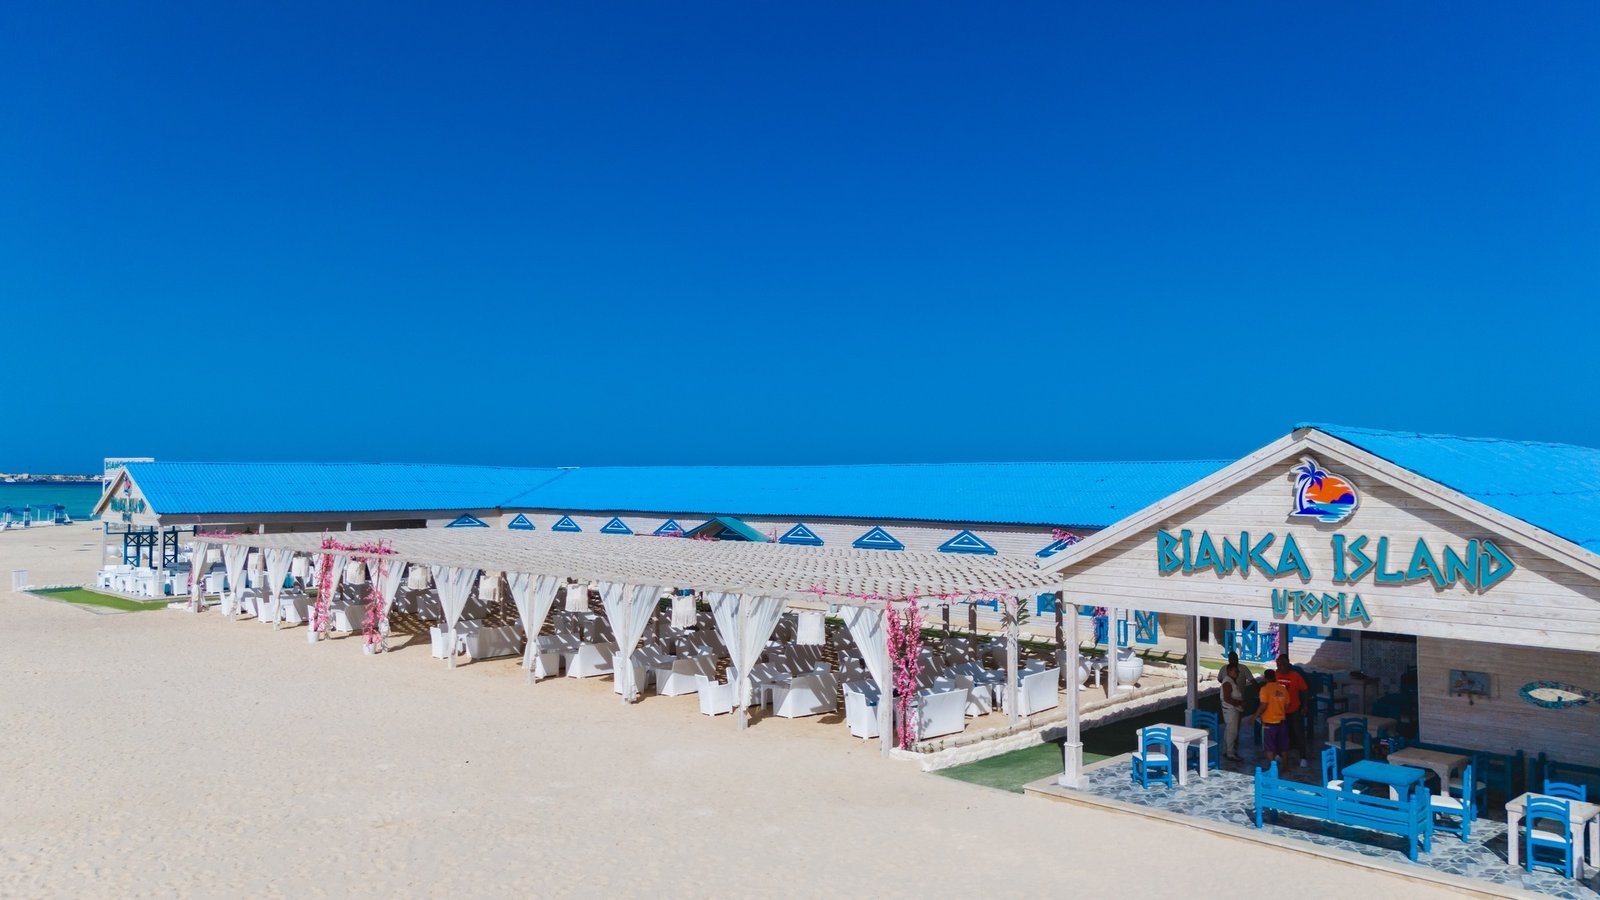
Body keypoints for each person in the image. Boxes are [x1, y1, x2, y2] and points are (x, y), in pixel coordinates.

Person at [1275, 654, 1309, 767]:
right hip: (1280, 711)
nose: (1280, 667)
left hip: (1294, 710)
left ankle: (1303, 757)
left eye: (1282, 665)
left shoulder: (1295, 675)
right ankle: (1279, 754)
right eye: (1278, 665)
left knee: (1298, 733)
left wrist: (1305, 705)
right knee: (1280, 733)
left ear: (1288, 664)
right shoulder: (1276, 675)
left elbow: (1305, 690)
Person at [1257, 669, 1291, 768]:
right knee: (1284, 747)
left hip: (1269, 722)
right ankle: (1285, 768)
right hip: (1282, 721)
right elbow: (1287, 705)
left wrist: (1255, 715)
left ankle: (1273, 770)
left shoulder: (1264, 689)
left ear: (1265, 678)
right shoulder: (1283, 689)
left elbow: (1264, 705)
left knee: (1269, 747)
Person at [1220, 661, 1246, 761]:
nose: (1237, 673)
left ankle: (1226, 750)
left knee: (1229, 730)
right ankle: (1230, 753)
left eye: (1238, 671)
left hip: (1233, 709)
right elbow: (1227, 698)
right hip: (1231, 710)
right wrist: (1239, 703)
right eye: (1236, 671)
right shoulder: (1227, 682)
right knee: (1232, 731)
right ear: (1229, 671)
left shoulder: (1231, 681)